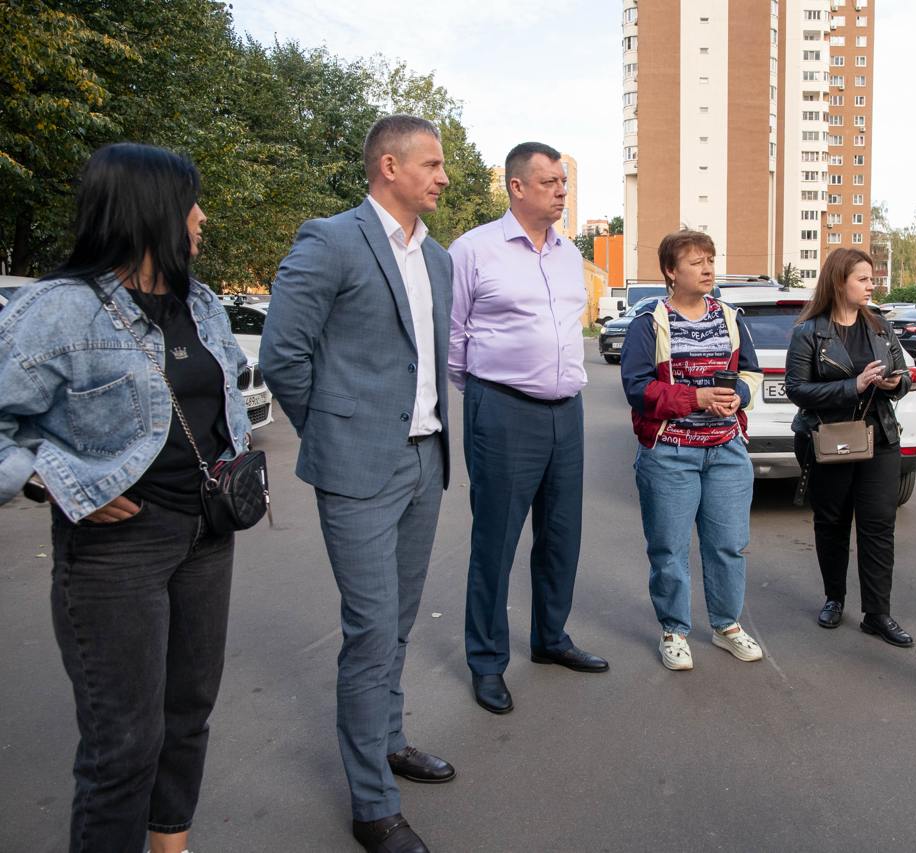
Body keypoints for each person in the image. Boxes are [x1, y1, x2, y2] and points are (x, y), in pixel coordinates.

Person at [0, 143, 251, 852]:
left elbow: (226, 387)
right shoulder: (59, 309)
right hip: (118, 550)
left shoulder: (201, 301)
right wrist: (51, 476)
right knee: (125, 743)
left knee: (188, 713)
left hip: (207, 537)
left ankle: (171, 844)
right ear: (153, 209)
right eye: (192, 202)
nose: (202, 217)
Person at [261, 115, 455, 853]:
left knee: (398, 621)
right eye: (431, 164)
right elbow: (284, 355)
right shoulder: (331, 240)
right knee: (370, 630)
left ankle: (390, 740)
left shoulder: (435, 258)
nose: (442, 177)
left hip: (425, 462)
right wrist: (335, 434)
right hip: (359, 469)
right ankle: (372, 806)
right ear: (389, 166)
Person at [448, 141, 608, 715]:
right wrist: (486, 394)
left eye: (564, 182)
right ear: (516, 187)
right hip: (503, 409)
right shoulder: (473, 250)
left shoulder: (569, 254)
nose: (561, 191)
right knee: (496, 541)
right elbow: (453, 335)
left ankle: (550, 638)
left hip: (567, 410)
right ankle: (487, 661)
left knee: (562, 535)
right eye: (549, 182)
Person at [620, 230, 765, 670]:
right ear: (671, 271)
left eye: (710, 260)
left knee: (728, 546)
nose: (707, 269)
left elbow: (751, 374)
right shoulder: (649, 322)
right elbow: (637, 388)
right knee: (669, 549)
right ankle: (674, 630)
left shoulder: (731, 318)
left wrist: (738, 396)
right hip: (669, 454)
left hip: (726, 452)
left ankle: (726, 625)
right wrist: (695, 398)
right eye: (696, 262)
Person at [784, 248, 913, 646]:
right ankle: (834, 599)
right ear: (840, 282)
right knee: (832, 522)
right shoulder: (810, 332)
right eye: (864, 279)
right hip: (831, 437)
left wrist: (896, 382)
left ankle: (877, 614)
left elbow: (904, 373)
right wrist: (852, 386)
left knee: (879, 525)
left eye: (872, 278)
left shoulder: (879, 326)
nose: (872, 285)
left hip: (880, 438)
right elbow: (797, 389)